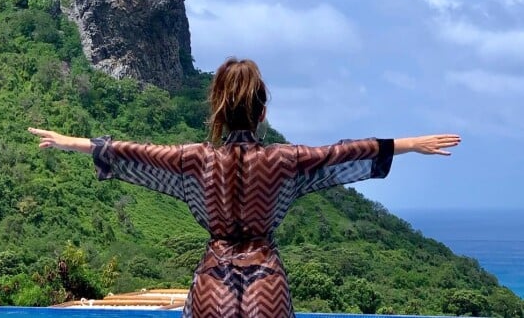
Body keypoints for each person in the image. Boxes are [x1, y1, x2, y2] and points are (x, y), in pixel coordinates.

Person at [29, 57, 461, 318]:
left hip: (211, 289)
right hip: (266, 290)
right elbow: (344, 152)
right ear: (262, 113)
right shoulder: (283, 160)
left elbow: (135, 153)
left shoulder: (195, 159)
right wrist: (409, 144)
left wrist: (75, 144)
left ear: (217, 108)